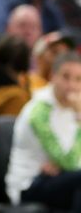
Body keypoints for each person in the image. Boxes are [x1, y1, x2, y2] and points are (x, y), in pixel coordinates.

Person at [6, 51, 81, 210]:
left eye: (78, 79)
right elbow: (69, 162)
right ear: (53, 76)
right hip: (29, 184)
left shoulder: (73, 106)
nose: (72, 85)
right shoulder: (39, 110)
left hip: (60, 179)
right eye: (65, 77)